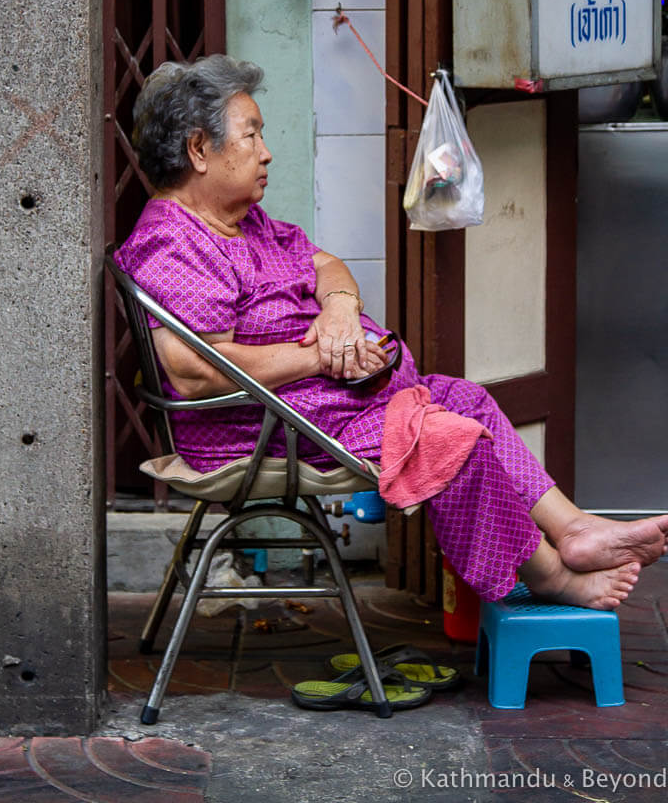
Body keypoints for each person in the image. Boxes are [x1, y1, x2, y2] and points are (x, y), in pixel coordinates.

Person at [115, 55, 668, 610]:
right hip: (260, 427)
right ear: (198, 150)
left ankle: (572, 529)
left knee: (464, 398)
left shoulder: (241, 219)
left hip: (315, 408)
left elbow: (326, 263)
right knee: (451, 440)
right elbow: (193, 373)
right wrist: (322, 358)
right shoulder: (175, 242)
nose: (266, 152)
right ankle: (552, 575)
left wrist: (339, 312)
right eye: (251, 134)